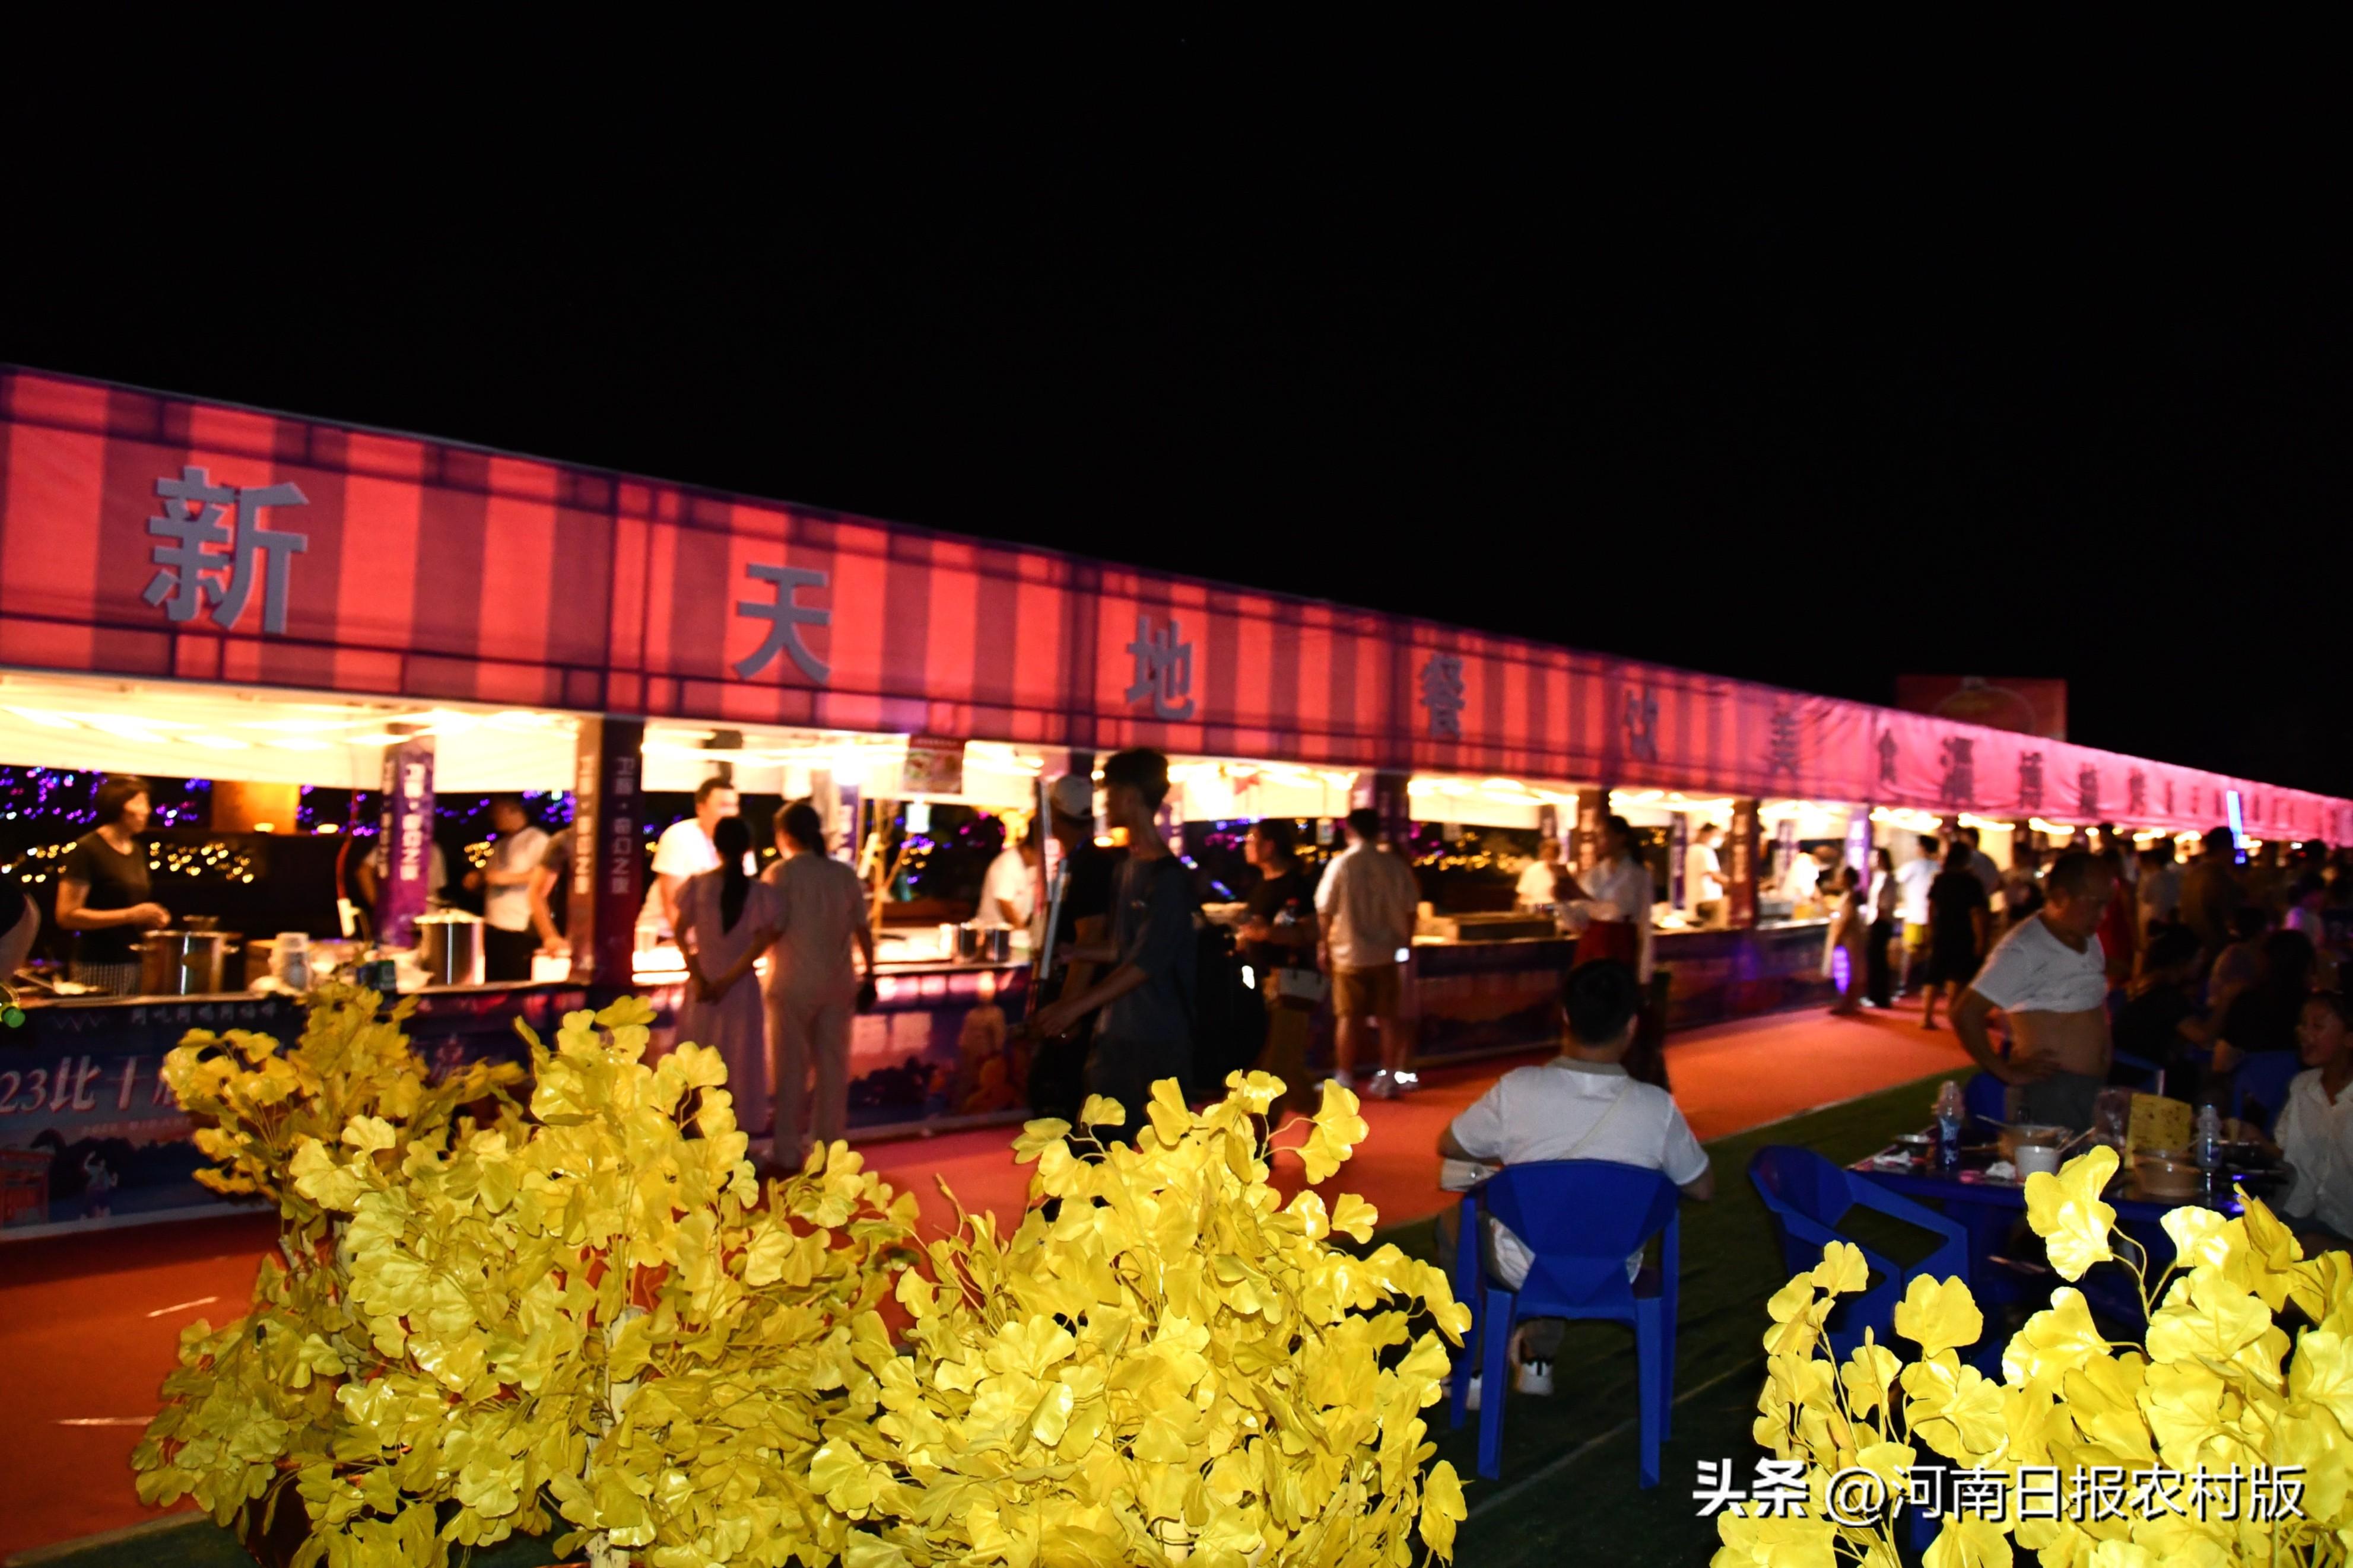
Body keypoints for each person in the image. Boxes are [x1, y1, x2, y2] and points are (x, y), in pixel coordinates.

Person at [1436, 959, 1713, 1395]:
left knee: (1461, 1225)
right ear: (1632, 1025)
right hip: (1614, 1268)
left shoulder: (1518, 1089)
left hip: (1521, 1264)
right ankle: (1538, 1358)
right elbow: (1702, 1186)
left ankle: (1474, 1367)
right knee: (1574, 1223)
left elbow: (1452, 1143)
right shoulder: (1657, 1107)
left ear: (1565, 1016)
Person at [1030, 749, 1198, 1145]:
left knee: (1167, 1157)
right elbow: (1123, 949)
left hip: (1159, 1037)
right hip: (1115, 1033)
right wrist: (1075, 953)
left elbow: (1146, 962)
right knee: (1097, 1148)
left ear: (1130, 796)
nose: (1103, 803)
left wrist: (1074, 1006)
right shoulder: (1127, 868)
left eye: (1110, 792)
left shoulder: (1169, 879)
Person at [1951, 850, 2118, 1133]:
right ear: (2061, 897)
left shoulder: (2086, 937)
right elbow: (1966, 1012)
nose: (2103, 915)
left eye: (2107, 905)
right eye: (2096, 905)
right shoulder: (2024, 948)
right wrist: (2006, 1073)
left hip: (2087, 1090)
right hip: (2051, 1093)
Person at [760, 800, 875, 1160]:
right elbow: (863, 930)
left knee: (790, 1069)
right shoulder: (843, 875)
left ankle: (787, 1149)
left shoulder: (780, 874)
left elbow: (768, 928)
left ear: (785, 836)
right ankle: (828, 1148)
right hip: (838, 984)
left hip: (792, 983)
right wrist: (872, 973)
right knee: (833, 1070)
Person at [1027, 773, 1125, 1122]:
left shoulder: (1088, 866)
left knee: (1062, 1100)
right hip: (1086, 1000)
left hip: (1083, 1001)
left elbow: (1089, 938)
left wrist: (1069, 1009)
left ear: (1055, 816)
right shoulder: (1083, 861)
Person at [674, 815, 782, 1123]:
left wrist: (697, 975)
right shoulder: (760, 893)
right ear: (748, 848)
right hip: (739, 986)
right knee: (739, 1056)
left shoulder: (698, 886)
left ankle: (692, 1126)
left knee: (698, 1055)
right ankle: (736, 1127)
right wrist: (728, 980)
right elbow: (760, 944)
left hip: (704, 984)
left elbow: (681, 933)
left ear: (716, 846)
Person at [1312, 806, 1423, 1099]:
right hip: (1387, 953)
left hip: (1349, 953)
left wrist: (1324, 944)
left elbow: (1325, 908)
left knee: (1348, 1017)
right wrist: (1406, 942)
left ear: (1350, 830)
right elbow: (1411, 907)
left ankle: (1345, 1076)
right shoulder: (1394, 865)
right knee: (1388, 1018)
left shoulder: (1342, 864)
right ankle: (1388, 1077)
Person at [55, 776, 170, 994]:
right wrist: (131, 915)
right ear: (119, 805)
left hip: (136, 961)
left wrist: (151, 918)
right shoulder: (87, 849)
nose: (147, 810)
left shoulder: (136, 850)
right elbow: (67, 915)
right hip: (98, 963)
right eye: (141, 802)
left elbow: (132, 906)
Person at [1239, 818, 1319, 1108]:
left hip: (1291, 982)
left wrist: (1268, 933)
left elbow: (1311, 933)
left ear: (1270, 846)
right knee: (1280, 1062)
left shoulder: (1296, 885)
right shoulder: (1262, 886)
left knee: (1276, 1064)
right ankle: (1324, 1117)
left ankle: (1262, 1128)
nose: (1246, 846)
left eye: (1252, 840)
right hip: (1261, 981)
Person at [2271, 989, 2353, 1249]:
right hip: (2299, 1215)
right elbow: (2284, 1152)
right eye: (2303, 1024)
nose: (2304, 1033)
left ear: (2349, 1038)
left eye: (2317, 1026)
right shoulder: (2302, 1087)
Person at [2112, 927, 2215, 1090]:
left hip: (2120, 1073)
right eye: (2199, 956)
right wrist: (2227, 1000)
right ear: (2182, 961)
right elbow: (2205, 1037)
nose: (2202, 962)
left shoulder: (2141, 986)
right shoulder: (2165, 996)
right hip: (2138, 1079)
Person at [644, 778, 741, 939]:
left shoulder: (739, 839)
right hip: (666, 935)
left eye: (734, 806)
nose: (731, 813)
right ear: (700, 808)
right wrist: (690, 944)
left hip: (713, 939)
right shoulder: (679, 836)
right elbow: (672, 902)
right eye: (724, 806)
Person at [2214, 928, 2318, 1077]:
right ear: (2307, 966)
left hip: (2252, 1087)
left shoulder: (2247, 1003)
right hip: (2302, 1086)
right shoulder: (2315, 1009)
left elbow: (2222, 1063)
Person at [468, 795, 549, 983]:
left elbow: (544, 876)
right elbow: (490, 877)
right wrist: (478, 879)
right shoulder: (500, 844)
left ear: (513, 810)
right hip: (494, 926)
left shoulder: (536, 839)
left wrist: (506, 879)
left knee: (514, 983)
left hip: (519, 928)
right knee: (493, 983)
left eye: (497, 811)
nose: (493, 817)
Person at [1920, 838, 1990, 1032]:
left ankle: (1926, 1016)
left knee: (1934, 974)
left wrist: (1931, 929)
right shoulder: (1972, 883)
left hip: (1942, 931)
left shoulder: (1941, 879)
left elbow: (1931, 907)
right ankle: (1952, 1014)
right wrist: (1980, 939)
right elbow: (1976, 914)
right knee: (1957, 975)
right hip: (1962, 933)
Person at [2180, 826, 2246, 962]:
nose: (2235, 852)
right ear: (2223, 849)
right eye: (2233, 846)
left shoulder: (2193, 874)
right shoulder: (2219, 877)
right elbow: (2231, 916)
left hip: (2194, 950)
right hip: (2215, 950)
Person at [978, 816, 1041, 932]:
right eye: (1038, 856)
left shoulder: (1032, 867)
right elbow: (1004, 903)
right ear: (1027, 850)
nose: (1039, 861)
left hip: (1014, 930)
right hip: (994, 931)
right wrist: (1022, 931)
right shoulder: (1007, 863)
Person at [1895, 835, 1940, 996]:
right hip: (1932, 917)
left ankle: (1904, 984)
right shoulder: (1938, 867)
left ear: (1922, 848)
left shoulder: (1913, 867)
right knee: (1930, 953)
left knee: (1909, 952)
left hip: (1915, 916)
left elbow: (1897, 878)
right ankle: (1927, 986)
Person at [1823, 866, 1870, 1015]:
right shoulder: (1850, 895)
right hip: (1850, 938)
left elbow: (1846, 919)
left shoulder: (1850, 896)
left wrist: (1838, 937)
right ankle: (1850, 1003)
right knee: (1850, 971)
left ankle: (1847, 1003)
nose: (1838, 879)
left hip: (1848, 939)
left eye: (1841, 876)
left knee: (1846, 971)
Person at [528, 826, 573, 958]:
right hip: (562, 933)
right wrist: (550, 936)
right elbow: (537, 892)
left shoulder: (622, 837)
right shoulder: (567, 840)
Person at [1864, 847, 1900, 1008]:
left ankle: (1880, 996)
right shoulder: (1878, 877)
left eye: (1876, 857)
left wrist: (1878, 919)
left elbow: (1884, 904)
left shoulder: (1887, 878)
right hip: (1876, 921)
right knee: (1875, 959)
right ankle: (1875, 995)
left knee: (1878, 960)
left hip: (1881, 923)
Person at [2138, 838, 2183, 941]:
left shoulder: (2153, 879)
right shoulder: (2174, 876)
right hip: (2173, 918)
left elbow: (2146, 898)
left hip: (2157, 919)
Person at [1683, 823, 1726, 926]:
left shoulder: (1691, 850)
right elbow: (1715, 876)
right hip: (1708, 901)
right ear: (1706, 834)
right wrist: (1737, 885)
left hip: (1694, 900)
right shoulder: (1705, 851)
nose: (1720, 839)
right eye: (1717, 835)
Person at [1517, 837, 1567, 909]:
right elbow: (1523, 897)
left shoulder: (1563, 872)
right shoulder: (1532, 871)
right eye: (1548, 855)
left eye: (1553, 855)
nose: (1550, 859)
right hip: (1537, 909)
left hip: (1558, 910)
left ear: (1558, 855)